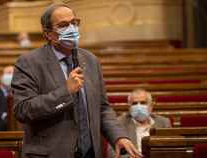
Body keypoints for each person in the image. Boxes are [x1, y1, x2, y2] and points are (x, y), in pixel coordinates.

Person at [12, 4, 142, 158]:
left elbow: (102, 108)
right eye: (63, 25)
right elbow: (23, 110)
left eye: (74, 23)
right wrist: (65, 92)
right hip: (51, 154)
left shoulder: (90, 60)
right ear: (48, 34)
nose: (71, 29)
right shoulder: (29, 62)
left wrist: (119, 136)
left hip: (90, 152)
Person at [109, 88, 171, 158]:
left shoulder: (163, 122)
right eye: (134, 103)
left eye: (143, 103)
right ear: (129, 107)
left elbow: (171, 150)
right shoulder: (119, 123)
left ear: (151, 106)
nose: (139, 107)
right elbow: (112, 154)